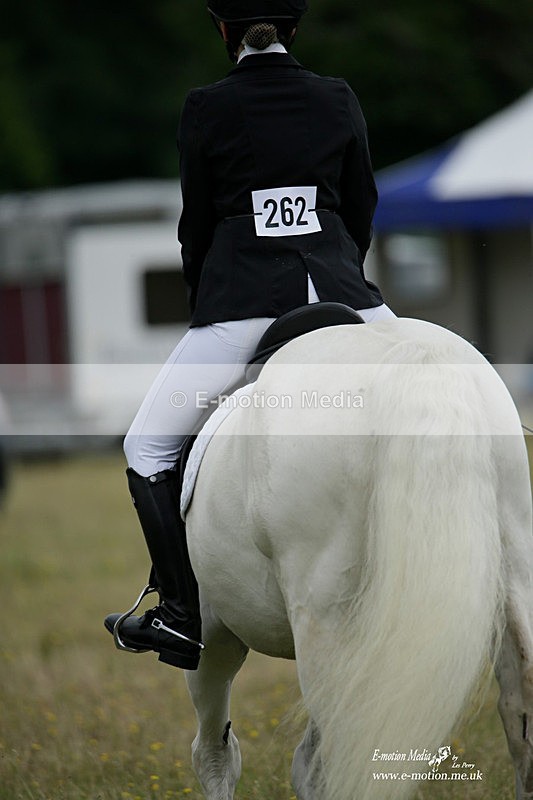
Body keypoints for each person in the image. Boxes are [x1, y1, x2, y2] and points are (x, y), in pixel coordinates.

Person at [104, 0, 395, 671]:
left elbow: (197, 224)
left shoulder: (206, 106)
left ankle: (178, 617)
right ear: (293, 29)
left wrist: (202, 290)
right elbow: (361, 206)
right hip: (340, 292)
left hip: (242, 301)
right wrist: (338, 265)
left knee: (146, 446)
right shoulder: (335, 96)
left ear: (222, 30)